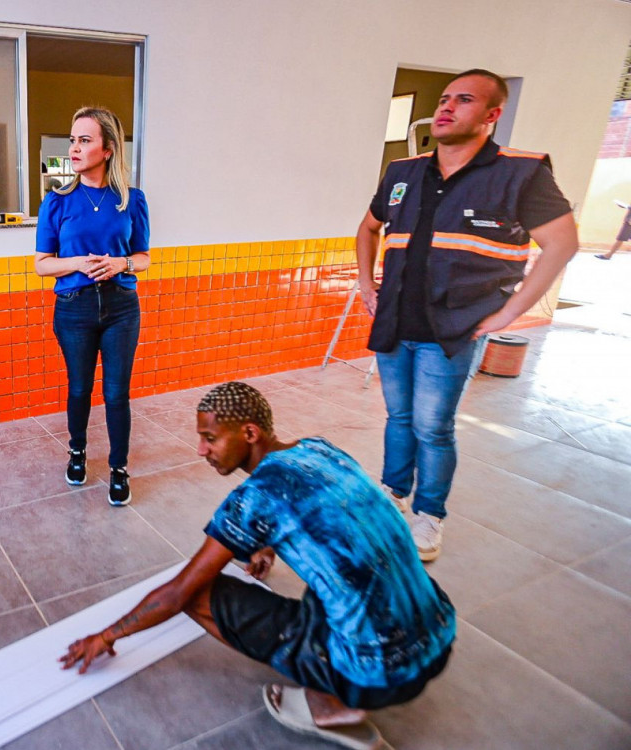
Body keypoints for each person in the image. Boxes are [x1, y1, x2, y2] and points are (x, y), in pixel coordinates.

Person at [61, 382, 454, 750]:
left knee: (199, 592)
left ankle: (332, 705)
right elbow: (321, 510)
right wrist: (267, 544)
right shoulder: (318, 448)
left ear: (249, 434)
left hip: (376, 675)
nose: (201, 450)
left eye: (210, 438)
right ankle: (342, 681)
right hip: (436, 635)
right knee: (342, 572)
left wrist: (107, 636)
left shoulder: (255, 498)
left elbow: (178, 592)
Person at [356, 69, 577, 561]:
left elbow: (563, 244)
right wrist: (364, 281)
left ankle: (429, 515)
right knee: (398, 417)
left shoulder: (520, 172)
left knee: (433, 428)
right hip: (394, 322)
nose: (446, 107)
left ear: (492, 115)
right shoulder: (403, 172)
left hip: (451, 330)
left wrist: (510, 313)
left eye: (464, 100)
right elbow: (367, 229)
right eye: (444, 99)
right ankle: (392, 495)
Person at [34, 106, 150, 506]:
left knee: (117, 393)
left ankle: (119, 469)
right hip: (73, 308)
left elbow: (144, 257)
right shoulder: (57, 201)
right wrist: (79, 263)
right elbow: (41, 264)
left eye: (85, 140)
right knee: (80, 388)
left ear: (108, 149)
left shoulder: (131, 200)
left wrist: (123, 263)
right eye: (72, 140)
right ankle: (78, 452)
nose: (74, 149)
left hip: (121, 307)